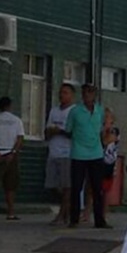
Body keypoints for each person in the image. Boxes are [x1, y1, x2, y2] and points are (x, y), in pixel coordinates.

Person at [66, 83, 110, 228]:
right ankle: (74, 219)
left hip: (96, 152)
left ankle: (99, 220)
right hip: (79, 153)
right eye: (85, 92)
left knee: (97, 188)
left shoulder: (99, 110)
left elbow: (103, 127)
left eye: (91, 92)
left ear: (95, 94)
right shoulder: (75, 111)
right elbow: (68, 129)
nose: (88, 95)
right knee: (76, 187)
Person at [44, 83, 76, 225]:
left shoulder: (74, 111)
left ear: (72, 95)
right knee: (54, 185)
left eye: (65, 92)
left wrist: (60, 131)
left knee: (66, 185)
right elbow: (48, 129)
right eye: (60, 92)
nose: (62, 95)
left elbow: (75, 133)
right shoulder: (54, 111)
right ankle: (67, 209)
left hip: (67, 152)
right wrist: (51, 132)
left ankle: (62, 214)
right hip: (53, 151)